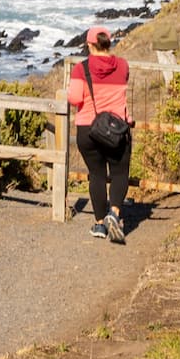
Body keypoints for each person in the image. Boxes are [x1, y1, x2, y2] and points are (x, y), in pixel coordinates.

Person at [65, 26, 132, 243]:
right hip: (117, 128)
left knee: (97, 175)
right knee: (120, 173)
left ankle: (100, 224)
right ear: (108, 43)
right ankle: (115, 212)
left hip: (89, 129)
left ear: (89, 44)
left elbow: (75, 98)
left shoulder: (80, 69)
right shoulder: (122, 65)